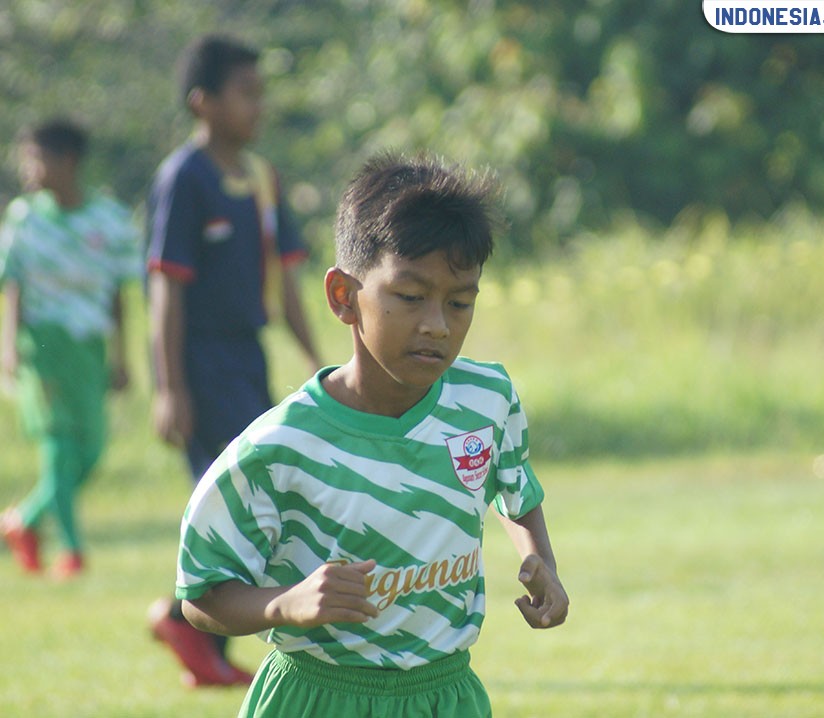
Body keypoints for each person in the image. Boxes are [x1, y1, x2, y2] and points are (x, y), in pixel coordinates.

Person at [174, 152, 569, 717]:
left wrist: (541, 561)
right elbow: (202, 596)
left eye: (460, 302)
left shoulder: (487, 401)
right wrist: (286, 603)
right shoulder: (279, 447)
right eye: (410, 297)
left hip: (446, 693)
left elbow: (513, 490)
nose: (437, 323)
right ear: (343, 297)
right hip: (316, 696)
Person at [144, 34, 321, 688]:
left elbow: (287, 284)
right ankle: (186, 622)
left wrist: (321, 360)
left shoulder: (264, 179)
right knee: (240, 498)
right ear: (203, 102)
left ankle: (193, 634)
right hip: (199, 360)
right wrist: (170, 386)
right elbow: (166, 286)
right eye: (245, 93)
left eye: (260, 92)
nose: (258, 106)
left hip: (245, 359)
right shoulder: (183, 178)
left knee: (258, 495)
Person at [0, 118, 140, 579]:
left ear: (68, 162)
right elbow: (13, 284)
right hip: (43, 344)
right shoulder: (25, 219)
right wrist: (8, 345)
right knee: (58, 444)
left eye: (37, 157)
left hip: (88, 347)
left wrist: (121, 356)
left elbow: (117, 294)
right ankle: (74, 550)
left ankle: (24, 521)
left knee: (92, 448)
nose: (28, 168)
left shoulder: (108, 220)